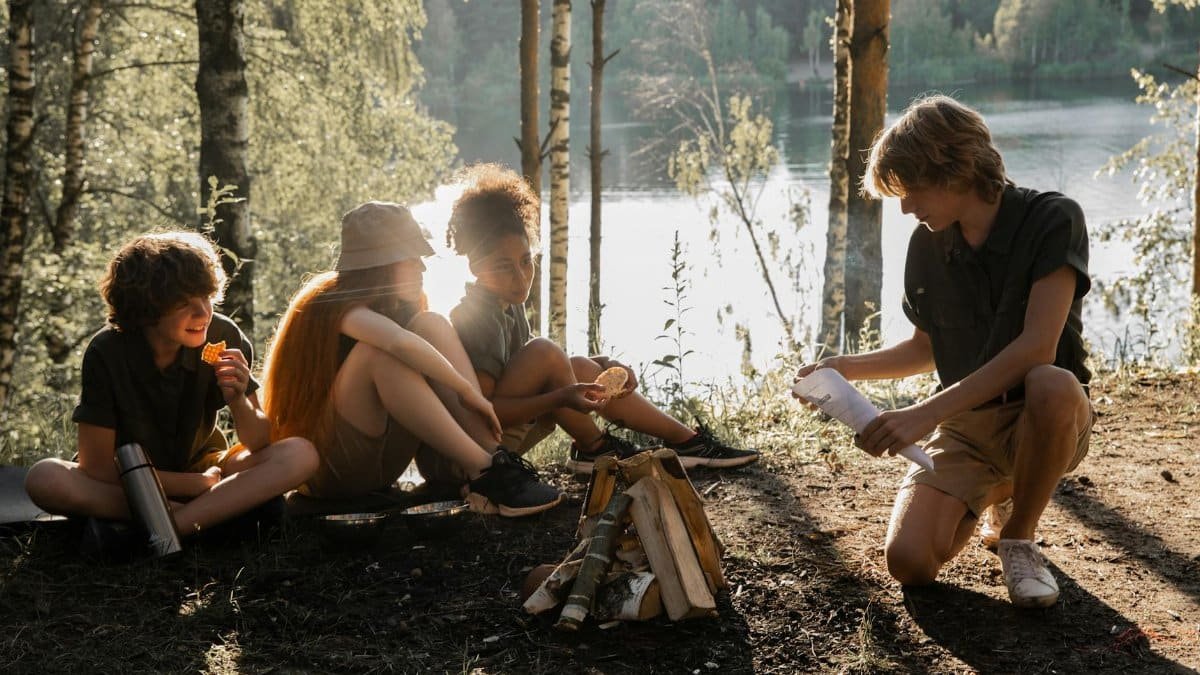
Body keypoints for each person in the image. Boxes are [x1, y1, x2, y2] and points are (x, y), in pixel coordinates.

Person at [794, 95, 1094, 608]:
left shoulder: (1053, 220)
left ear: (954, 168)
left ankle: (1019, 537)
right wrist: (843, 368)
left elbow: (1036, 347)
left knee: (1051, 380)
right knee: (909, 562)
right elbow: (924, 348)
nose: (906, 206)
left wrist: (922, 414)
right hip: (965, 428)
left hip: (1044, 419)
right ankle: (998, 488)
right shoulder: (927, 244)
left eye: (912, 189)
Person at [442, 163, 759, 477]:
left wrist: (602, 364)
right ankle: (594, 447)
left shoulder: (504, 305)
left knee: (578, 365)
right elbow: (487, 412)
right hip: (477, 455)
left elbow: (532, 375)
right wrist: (561, 395)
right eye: (503, 267)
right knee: (546, 352)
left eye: (526, 261)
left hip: (508, 434)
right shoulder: (476, 318)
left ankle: (687, 442)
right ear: (474, 268)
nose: (520, 277)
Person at [261, 201, 562, 517]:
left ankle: (495, 462)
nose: (422, 267)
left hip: (380, 465)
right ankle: (483, 469)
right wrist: (467, 390)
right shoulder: (334, 307)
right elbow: (399, 344)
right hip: (332, 470)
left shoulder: (401, 306)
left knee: (430, 322)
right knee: (378, 354)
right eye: (410, 259)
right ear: (380, 266)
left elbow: (413, 345)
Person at [24, 232, 319, 550]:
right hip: (129, 481)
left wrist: (238, 400)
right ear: (146, 308)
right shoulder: (106, 351)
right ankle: (212, 517)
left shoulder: (222, 334)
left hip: (205, 466)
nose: (203, 313)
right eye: (184, 304)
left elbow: (259, 441)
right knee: (45, 478)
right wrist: (192, 486)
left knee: (299, 454)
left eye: (207, 297)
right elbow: (96, 467)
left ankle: (167, 526)